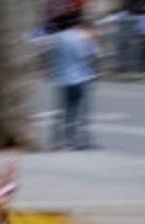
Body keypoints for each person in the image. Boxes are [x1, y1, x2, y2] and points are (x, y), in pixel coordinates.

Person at [49, 12, 101, 151]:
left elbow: (50, 57)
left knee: (64, 111)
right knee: (83, 112)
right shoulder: (83, 37)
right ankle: (83, 142)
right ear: (77, 24)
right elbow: (94, 55)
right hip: (82, 77)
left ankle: (59, 142)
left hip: (63, 78)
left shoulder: (57, 38)